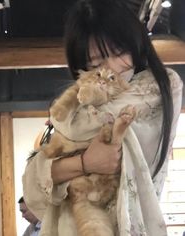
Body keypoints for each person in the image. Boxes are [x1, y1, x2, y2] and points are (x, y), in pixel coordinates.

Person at [22, 0, 183, 235]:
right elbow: (31, 184)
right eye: (96, 62)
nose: (112, 70)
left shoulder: (162, 86)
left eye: (119, 52)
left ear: (136, 44)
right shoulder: (83, 98)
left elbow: (77, 126)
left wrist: (61, 163)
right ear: (81, 65)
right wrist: (85, 162)